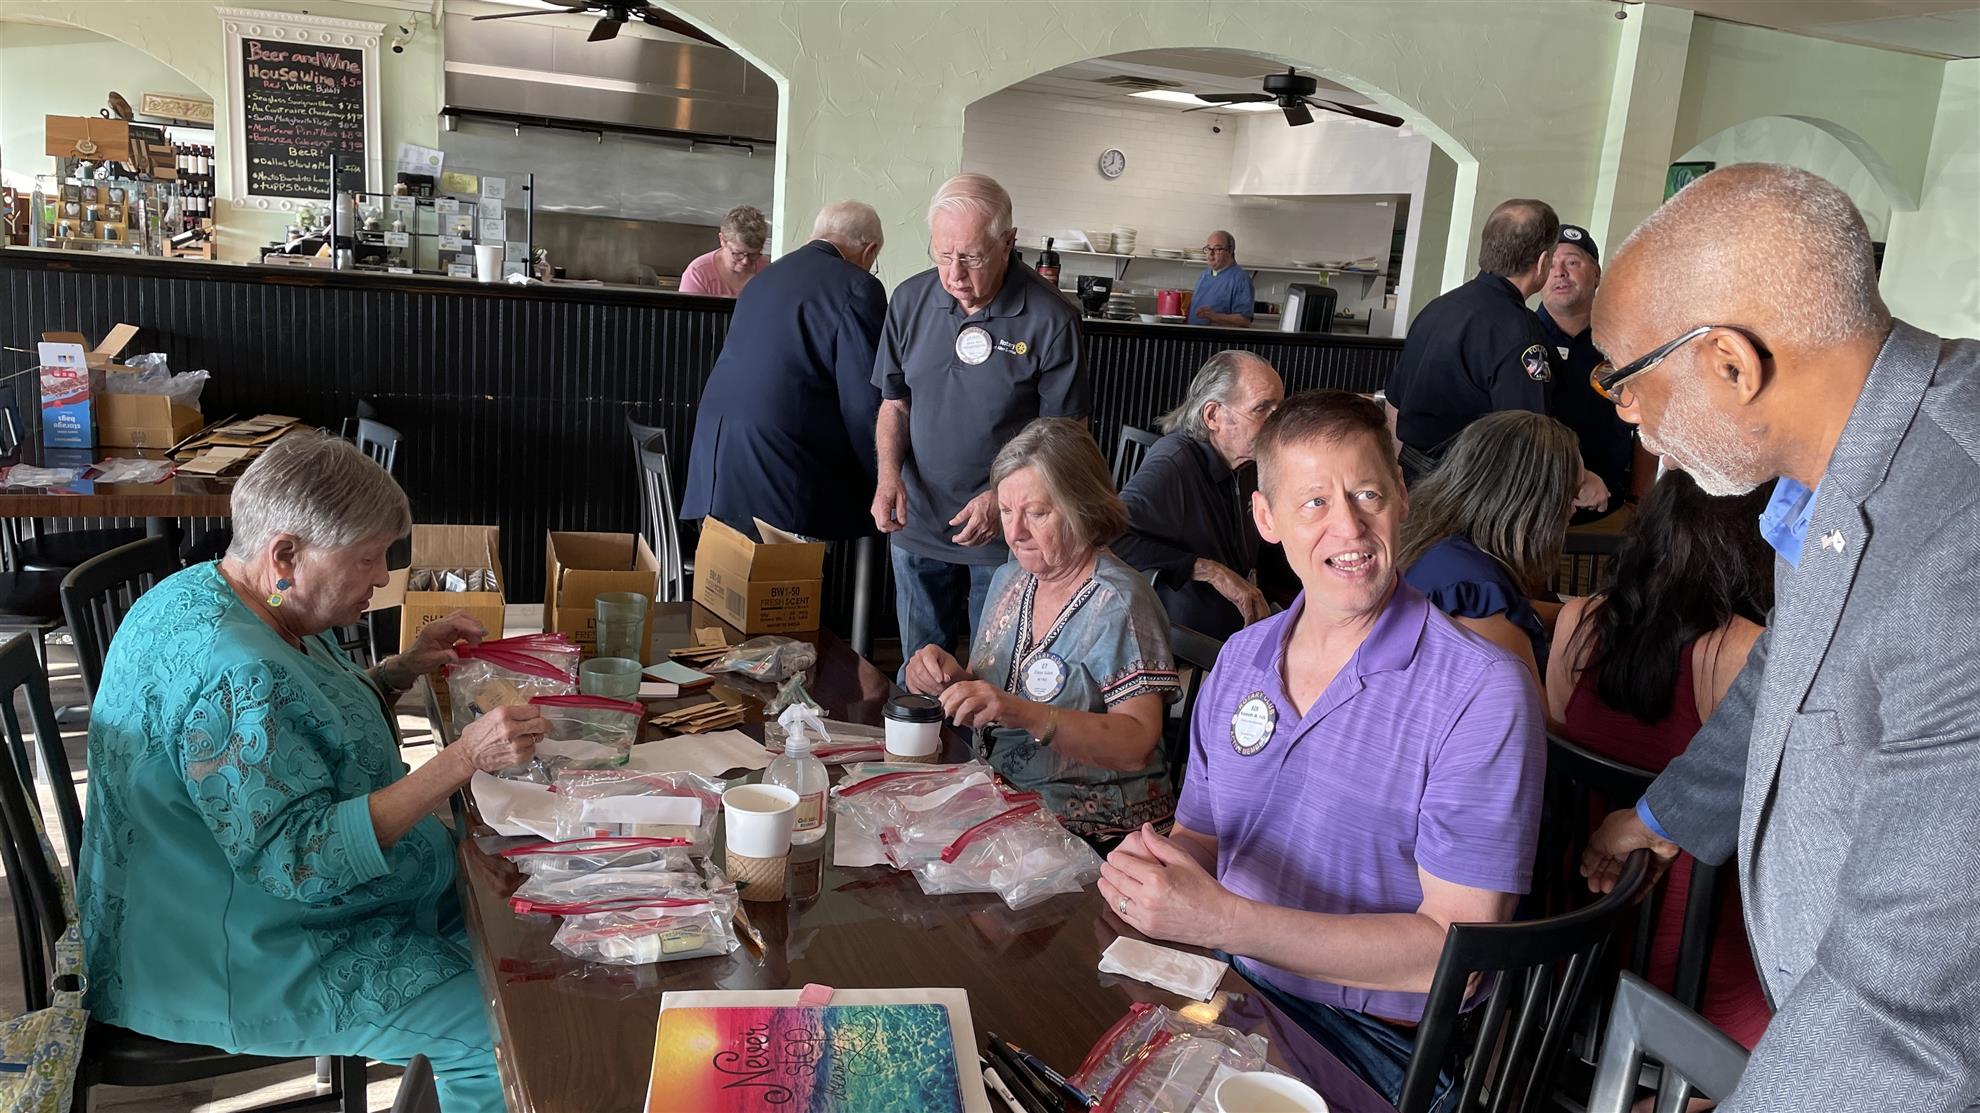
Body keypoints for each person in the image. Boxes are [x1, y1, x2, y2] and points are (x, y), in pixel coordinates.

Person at [1578, 164, 1980, 1111]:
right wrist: (1664, 816)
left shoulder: (1956, 544)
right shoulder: (1843, 467)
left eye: (1628, 381)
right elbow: (1789, 677)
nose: (1626, 419)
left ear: (1730, 361)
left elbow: (1907, 1013)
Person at [77, 432, 549, 1113]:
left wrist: (400, 667)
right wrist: (462, 758)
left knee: (516, 916)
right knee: (496, 1028)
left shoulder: (226, 592)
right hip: (229, 952)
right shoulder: (236, 670)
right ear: (287, 554)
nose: (383, 577)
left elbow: (304, 720)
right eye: (368, 558)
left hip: (209, 905)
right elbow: (302, 861)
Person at [1099, 391, 1544, 1110]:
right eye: (1313, 502)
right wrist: (1154, 876)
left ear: (1402, 498)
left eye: (1367, 491)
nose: (1349, 525)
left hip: (1380, 1043)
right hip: (1233, 992)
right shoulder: (1241, 660)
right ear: (1266, 519)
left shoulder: (1482, 689)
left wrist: (1222, 920)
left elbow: (1450, 957)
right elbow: (1203, 838)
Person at [1547, 471, 1776, 1052]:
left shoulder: (1578, 621)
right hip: (1694, 970)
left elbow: (1556, 764)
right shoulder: (1743, 650)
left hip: (1576, 938)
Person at [902, 418, 1179, 843]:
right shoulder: (1012, 579)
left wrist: (1019, 711)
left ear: (1081, 507)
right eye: (1007, 511)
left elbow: (1136, 742)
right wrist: (950, 680)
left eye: (1036, 513)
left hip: (1097, 829)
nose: (1014, 533)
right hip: (1005, 797)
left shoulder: (1118, 602)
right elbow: (992, 690)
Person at [872, 172, 1087, 669]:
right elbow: (894, 402)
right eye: (943, 255)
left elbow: (1065, 436)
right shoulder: (909, 301)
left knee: (994, 680)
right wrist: (887, 477)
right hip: (919, 522)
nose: (955, 274)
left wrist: (1001, 496)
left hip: (1008, 535)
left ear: (1008, 242)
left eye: (971, 256)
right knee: (920, 675)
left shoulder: (1052, 319)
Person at [682, 200, 887, 541]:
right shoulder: (858, 286)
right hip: (783, 473)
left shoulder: (766, 277)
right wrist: (886, 473)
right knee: (785, 589)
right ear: (870, 250)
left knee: (730, 590)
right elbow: (864, 400)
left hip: (718, 463)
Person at [1384, 198, 1607, 512]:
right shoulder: (1520, 333)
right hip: (1467, 492)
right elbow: (1529, 438)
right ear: (1543, 262)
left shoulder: (1439, 309)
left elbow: (1393, 407)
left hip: (1410, 482)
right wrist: (1581, 479)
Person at [1395, 410, 1582, 681]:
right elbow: (1537, 713)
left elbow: (1509, 605)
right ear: (1534, 502)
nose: (1572, 510)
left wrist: (1583, 613)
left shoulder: (1443, 550)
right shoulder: (1473, 590)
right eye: (1569, 497)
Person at [1113, 350, 1285, 639]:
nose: (1277, 423)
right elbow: (1104, 537)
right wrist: (1210, 571)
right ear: (1213, 416)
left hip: (1240, 630)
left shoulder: (1247, 463)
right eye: (1262, 409)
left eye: (1279, 410)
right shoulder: (1175, 462)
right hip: (1191, 650)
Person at [1537, 223, 1637, 516]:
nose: (1560, 272)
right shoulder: (1519, 336)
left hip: (1610, 503)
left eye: (1572, 262)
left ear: (1596, 274)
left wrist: (1638, 500)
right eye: (1551, 264)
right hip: (1533, 504)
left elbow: (1644, 425)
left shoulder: (1624, 343)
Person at [679, 204, 770, 297]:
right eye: (737, 253)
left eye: (753, 255)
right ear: (722, 240)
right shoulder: (698, 274)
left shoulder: (769, 270)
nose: (745, 261)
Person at [1190, 230, 1254, 328]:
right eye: (1208, 248)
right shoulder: (1204, 276)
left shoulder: (1240, 279)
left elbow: (1244, 321)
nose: (1211, 254)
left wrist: (1215, 317)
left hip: (1219, 341)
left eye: (1217, 249)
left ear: (1230, 250)